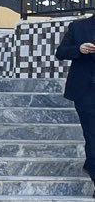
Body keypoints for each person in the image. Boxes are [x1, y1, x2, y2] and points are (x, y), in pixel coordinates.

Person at [56, 16, 95, 191]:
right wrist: (79, 49)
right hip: (85, 91)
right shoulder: (78, 27)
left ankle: (90, 163)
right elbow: (61, 52)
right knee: (92, 135)